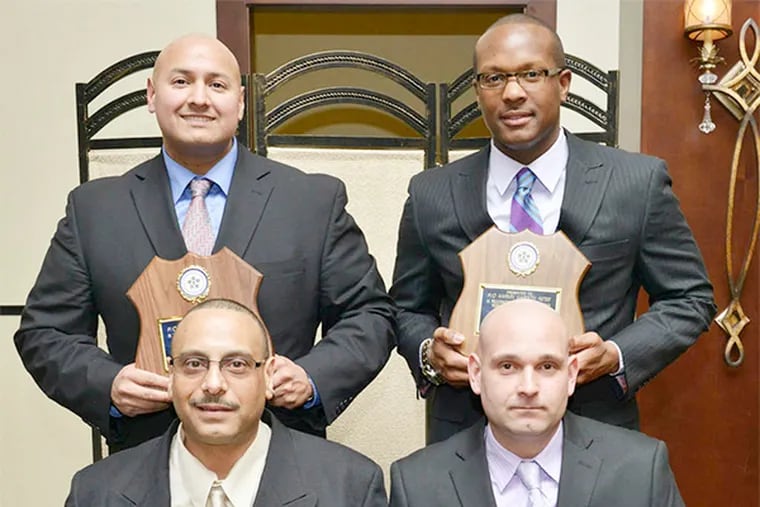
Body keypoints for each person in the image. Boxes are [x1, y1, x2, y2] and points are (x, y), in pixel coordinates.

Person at [15, 34, 395, 451]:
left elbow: (370, 315)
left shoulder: (312, 202)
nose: (199, 98)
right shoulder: (94, 209)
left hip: (283, 456)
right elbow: (46, 332)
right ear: (151, 95)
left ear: (242, 101)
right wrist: (109, 384)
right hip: (145, 459)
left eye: (216, 84)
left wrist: (312, 377)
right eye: (181, 82)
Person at [390, 13, 716, 443]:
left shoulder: (636, 183)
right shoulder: (432, 192)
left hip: (597, 431)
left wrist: (615, 355)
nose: (512, 93)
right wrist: (430, 353)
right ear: (476, 90)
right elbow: (403, 308)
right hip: (465, 436)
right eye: (493, 78)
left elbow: (689, 298)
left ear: (562, 83)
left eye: (531, 74)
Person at [65, 298, 387, 506]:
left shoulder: (349, 488)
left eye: (237, 364)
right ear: (171, 373)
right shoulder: (95, 493)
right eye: (194, 364)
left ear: (269, 375)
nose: (214, 384)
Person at [389, 299, 685, 507]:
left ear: (571, 375)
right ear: (476, 375)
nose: (528, 388)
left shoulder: (641, 469)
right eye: (507, 366)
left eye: (547, 367)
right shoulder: (417, 485)